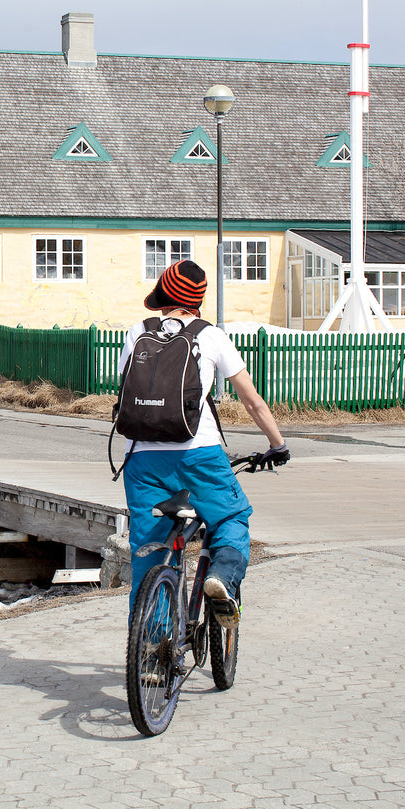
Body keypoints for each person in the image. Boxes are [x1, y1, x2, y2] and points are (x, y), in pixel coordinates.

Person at [118, 259, 289, 628]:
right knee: (230, 517)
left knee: (149, 554)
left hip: (143, 460)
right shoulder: (210, 336)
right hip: (200, 455)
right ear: (198, 300)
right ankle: (221, 577)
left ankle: (151, 653)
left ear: (162, 297)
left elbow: (127, 392)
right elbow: (252, 401)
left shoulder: (136, 333)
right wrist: (278, 444)